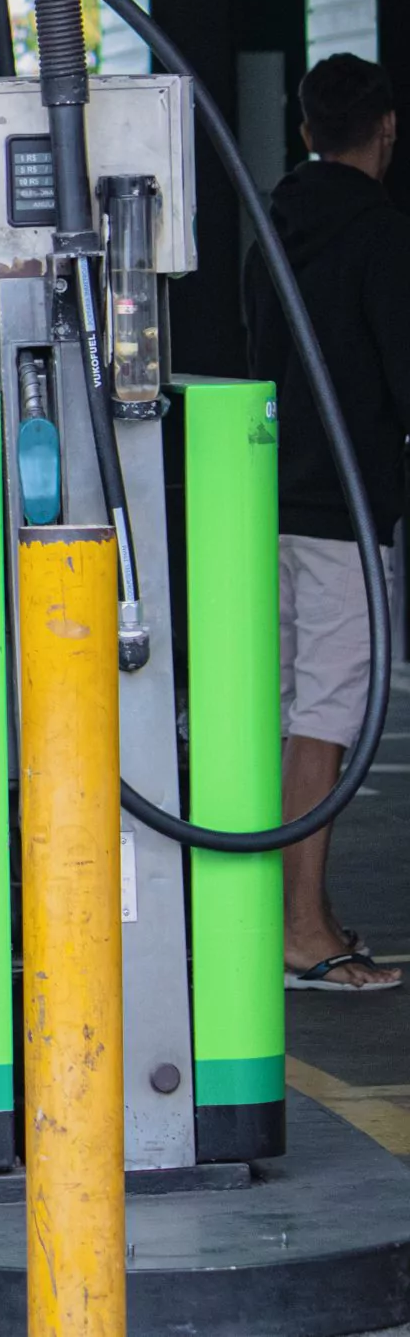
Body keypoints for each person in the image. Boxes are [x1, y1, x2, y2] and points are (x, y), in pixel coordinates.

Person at [242, 52, 407, 995]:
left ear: (306, 133)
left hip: (264, 500)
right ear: (386, 130)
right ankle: (304, 927)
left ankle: (288, 911)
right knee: (329, 718)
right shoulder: (383, 239)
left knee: (282, 707)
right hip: (343, 512)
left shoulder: (272, 232)